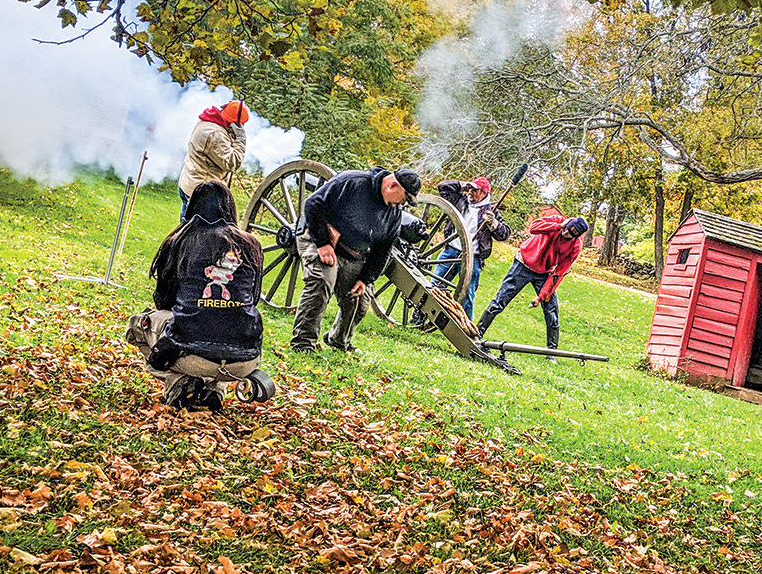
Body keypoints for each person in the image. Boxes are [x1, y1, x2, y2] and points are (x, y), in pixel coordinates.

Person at [126, 180, 264, 411]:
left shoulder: (179, 241)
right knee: (223, 321)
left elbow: (164, 300)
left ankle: (179, 382)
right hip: (246, 360)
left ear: (192, 208)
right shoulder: (252, 244)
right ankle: (215, 390)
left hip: (192, 354)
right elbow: (252, 298)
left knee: (138, 326)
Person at [290, 167, 421, 353]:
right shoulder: (351, 181)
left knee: (360, 299)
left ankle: (338, 340)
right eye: (405, 198)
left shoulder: (394, 213)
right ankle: (303, 344)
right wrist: (323, 243)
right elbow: (313, 204)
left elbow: (383, 249)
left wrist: (365, 279)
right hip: (318, 237)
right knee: (322, 281)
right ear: (392, 185)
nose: (403, 203)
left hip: (352, 253)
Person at [475, 214, 589, 358]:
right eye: (567, 229)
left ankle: (551, 352)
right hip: (523, 263)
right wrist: (558, 226)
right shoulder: (555, 221)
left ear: (576, 236)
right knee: (500, 300)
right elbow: (533, 228)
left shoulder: (575, 246)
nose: (566, 233)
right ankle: (477, 334)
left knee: (552, 311)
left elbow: (559, 272)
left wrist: (542, 296)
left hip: (544, 273)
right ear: (567, 223)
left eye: (571, 234)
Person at [431, 176, 511, 319]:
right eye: (470, 189)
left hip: (473, 257)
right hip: (451, 250)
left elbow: (504, 234)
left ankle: (465, 328)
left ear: (484, 193)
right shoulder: (460, 201)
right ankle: (421, 316)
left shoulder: (491, 211)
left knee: (467, 294)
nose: (471, 192)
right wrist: (463, 185)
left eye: (475, 190)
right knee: (435, 284)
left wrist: (493, 224)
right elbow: (443, 186)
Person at [178, 100, 249, 221]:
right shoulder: (216, 135)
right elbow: (233, 162)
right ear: (234, 123)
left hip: (191, 182)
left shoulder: (208, 121)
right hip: (202, 191)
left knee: (185, 228)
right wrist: (241, 140)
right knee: (197, 234)